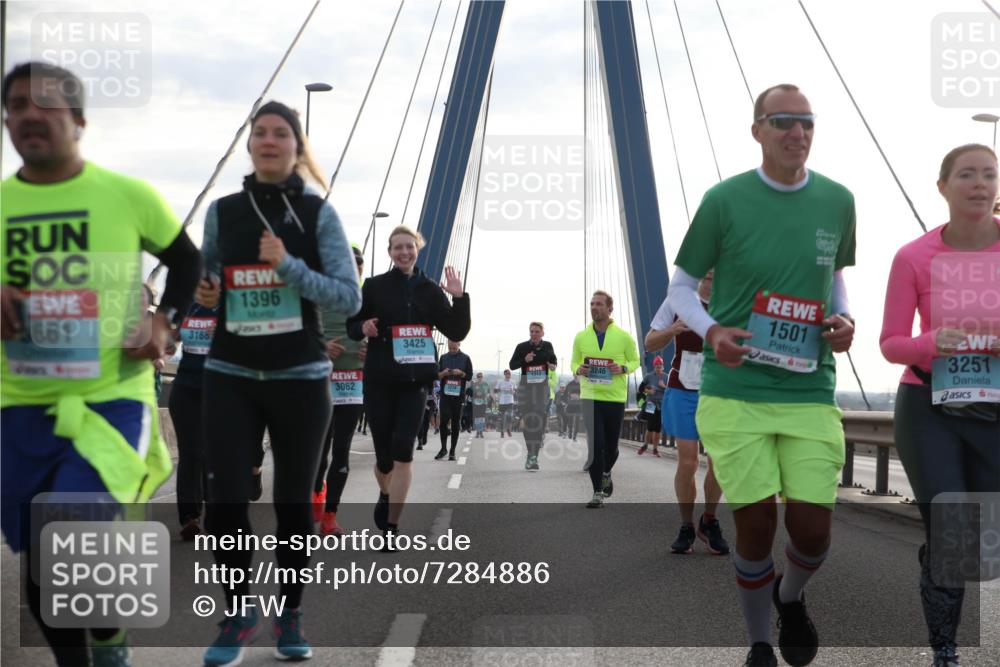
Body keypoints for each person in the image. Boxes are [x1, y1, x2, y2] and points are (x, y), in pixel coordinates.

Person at [1, 62, 201, 667]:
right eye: (16, 105)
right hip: (19, 405)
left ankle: (106, 645)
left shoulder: (126, 195)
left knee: (67, 527)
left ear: (80, 119)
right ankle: (96, 647)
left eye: (45, 103)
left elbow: (186, 262)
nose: (28, 114)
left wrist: (165, 322)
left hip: (112, 401)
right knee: (40, 556)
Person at [667, 84, 856, 667]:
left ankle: (789, 597)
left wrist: (846, 318)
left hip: (808, 390)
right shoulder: (723, 200)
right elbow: (680, 287)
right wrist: (713, 331)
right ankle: (758, 643)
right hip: (736, 392)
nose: (797, 132)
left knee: (813, 531)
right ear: (757, 131)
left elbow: (834, 277)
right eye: (783, 121)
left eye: (807, 122)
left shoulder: (838, 200)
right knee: (754, 526)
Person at [196, 100, 361, 664]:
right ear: (249, 144)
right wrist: (207, 289)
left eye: (280, 133)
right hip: (230, 372)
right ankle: (239, 612)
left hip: (299, 377)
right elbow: (207, 277)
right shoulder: (222, 212)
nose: (268, 141)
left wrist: (288, 266)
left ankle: (289, 613)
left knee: (293, 504)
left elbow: (348, 297)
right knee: (225, 502)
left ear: (296, 146)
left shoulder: (318, 214)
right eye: (259, 133)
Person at [879, 143, 1000, 667]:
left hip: (995, 409)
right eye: (967, 174)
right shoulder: (913, 257)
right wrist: (932, 342)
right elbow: (891, 344)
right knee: (952, 532)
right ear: (943, 186)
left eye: (989, 175)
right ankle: (945, 650)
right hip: (929, 405)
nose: (980, 184)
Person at [347, 226, 470, 542]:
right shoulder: (374, 286)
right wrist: (364, 326)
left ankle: (391, 527)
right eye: (397, 247)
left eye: (409, 247)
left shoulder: (430, 289)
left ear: (418, 249)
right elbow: (352, 325)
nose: (404, 252)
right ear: (390, 252)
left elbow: (457, 329)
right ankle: (386, 492)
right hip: (380, 379)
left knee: (404, 451)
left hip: (415, 381)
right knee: (384, 458)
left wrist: (459, 298)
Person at [647, 271, 729, 555]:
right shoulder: (678, 300)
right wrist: (672, 330)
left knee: (719, 462)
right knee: (688, 461)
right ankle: (686, 526)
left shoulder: (733, 301)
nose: (711, 277)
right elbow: (649, 342)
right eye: (706, 272)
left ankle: (709, 520)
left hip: (718, 393)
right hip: (683, 390)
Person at [312, 244, 368, 535]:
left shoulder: (368, 300)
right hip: (320, 383)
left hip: (352, 385)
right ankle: (316, 495)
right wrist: (321, 346)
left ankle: (330, 516)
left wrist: (372, 352)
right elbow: (297, 332)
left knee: (341, 451)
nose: (353, 269)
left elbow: (383, 337)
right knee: (319, 452)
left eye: (358, 266)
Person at [571, 291, 640, 508]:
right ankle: (597, 492)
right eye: (592, 304)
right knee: (595, 446)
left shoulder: (624, 337)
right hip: (590, 397)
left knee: (611, 448)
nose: (594, 307)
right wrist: (578, 369)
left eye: (599, 304)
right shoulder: (581, 337)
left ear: (610, 309)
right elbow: (573, 363)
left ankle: (607, 472)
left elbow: (636, 361)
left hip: (614, 399)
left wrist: (623, 368)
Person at [171, 301, 218, 541]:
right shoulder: (187, 304)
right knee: (190, 452)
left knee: (213, 453)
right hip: (185, 387)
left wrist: (227, 336)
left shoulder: (231, 304)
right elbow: (169, 343)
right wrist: (168, 335)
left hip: (220, 389)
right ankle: (189, 518)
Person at [510, 322, 558, 471]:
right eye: (532, 331)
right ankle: (530, 452)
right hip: (525, 389)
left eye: (537, 331)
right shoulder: (521, 347)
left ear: (542, 333)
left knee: (537, 418)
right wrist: (525, 360)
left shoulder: (548, 346)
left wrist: (552, 366)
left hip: (541, 389)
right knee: (528, 421)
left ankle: (534, 456)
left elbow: (554, 362)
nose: (534, 334)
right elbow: (512, 365)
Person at [437, 339, 473, 459]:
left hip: (458, 395)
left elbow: (469, 376)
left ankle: (452, 451)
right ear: (447, 343)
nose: (452, 350)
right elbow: (437, 375)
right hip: (445, 394)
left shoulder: (466, 358)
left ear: (459, 344)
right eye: (450, 348)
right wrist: (443, 373)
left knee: (455, 422)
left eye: (454, 348)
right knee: (443, 422)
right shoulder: (443, 358)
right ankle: (443, 449)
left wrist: (461, 373)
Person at [637, 356, 668, 456]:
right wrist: (648, 391)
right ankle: (645, 445)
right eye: (657, 366)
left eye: (660, 366)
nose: (658, 368)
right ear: (654, 367)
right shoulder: (648, 376)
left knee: (658, 428)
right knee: (650, 426)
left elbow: (671, 391)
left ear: (663, 366)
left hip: (661, 405)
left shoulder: (666, 377)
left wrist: (664, 386)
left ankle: (655, 449)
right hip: (650, 403)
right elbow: (640, 388)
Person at [495, 368, 517, 436]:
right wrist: (501, 390)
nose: (508, 375)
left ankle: (508, 429)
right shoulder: (500, 382)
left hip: (510, 401)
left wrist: (513, 391)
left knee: (509, 416)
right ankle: (502, 431)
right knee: (502, 418)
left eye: (509, 374)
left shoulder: (513, 382)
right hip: (502, 402)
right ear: (504, 375)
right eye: (507, 374)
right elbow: (495, 390)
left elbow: (515, 391)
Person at [471, 372, 491, 437]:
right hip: (476, 402)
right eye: (478, 377)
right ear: (477, 378)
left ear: (482, 377)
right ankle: (477, 431)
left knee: (482, 417)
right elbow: (471, 393)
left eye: (481, 376)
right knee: (477, 417)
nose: (480, 378)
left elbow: (488, 392)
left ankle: (481, 431)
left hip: (483, 402)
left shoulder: (486, 384)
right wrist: (476, 394)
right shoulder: (474, 384)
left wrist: (487, 395)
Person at [564, 375, 583, 441]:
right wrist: (568, 401)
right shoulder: (569, 384)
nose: (577, 376)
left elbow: (585, 395)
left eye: (578, 375)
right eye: (575, 375)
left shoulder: (582, 384)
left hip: (578, 405)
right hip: (571, 405)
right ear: (573, 375)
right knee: (570, 420)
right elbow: (565, 395)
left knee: (577, 421)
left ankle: (574, 437)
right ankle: (570, 434)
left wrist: (580, 397)